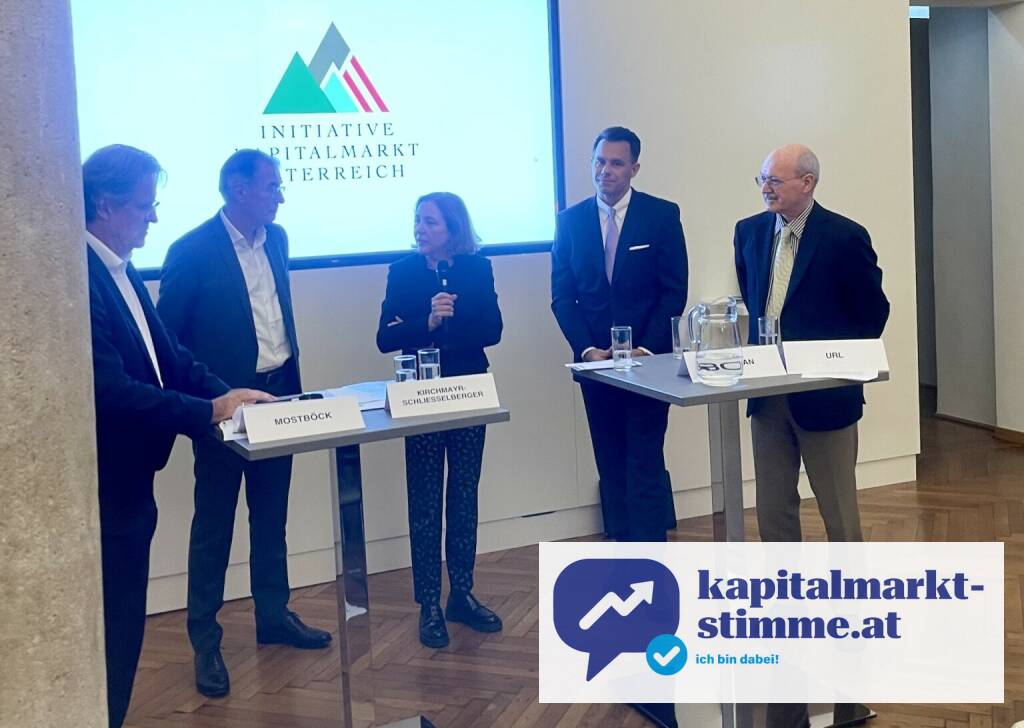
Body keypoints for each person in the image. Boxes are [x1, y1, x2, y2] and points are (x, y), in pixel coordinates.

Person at [83, 144, 273, 727]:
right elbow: (111, 390)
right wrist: (208, 410)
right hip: (107, 486)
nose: (154, 217)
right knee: (113, 636)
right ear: (105, 205)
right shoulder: (80, 275)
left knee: (124, 634)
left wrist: (231, 396)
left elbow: (172, 358)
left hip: (133, 482)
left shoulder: (120, 270)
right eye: (145, 206)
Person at [157, 149, 330, 699]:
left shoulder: (277, 239)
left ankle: (273, 614)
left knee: (271, 514)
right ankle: (206, 640)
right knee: (214, 522)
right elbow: (168, 341)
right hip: (224, 404)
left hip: (280, 393)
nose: (280, 195)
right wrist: (215, 398)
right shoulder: (191, 250)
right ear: (238, 189)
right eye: (272, 186)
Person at [733, 144, 889, 728]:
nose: (766, 189)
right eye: (761, 179)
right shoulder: (749, 232)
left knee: (840, 518)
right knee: (774, 512)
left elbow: (872, 314)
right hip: (768, 398)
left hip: (825, 400)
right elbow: (754, 300)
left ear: (807, 182)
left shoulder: (845, 237)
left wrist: (828, 361)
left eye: (775, 180)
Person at [376, 192, 503, 648]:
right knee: (426, 500)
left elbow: (493, 330)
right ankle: (428, 602)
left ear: (453, 228)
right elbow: (384, 338)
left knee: (464, 494)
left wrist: (454, 318)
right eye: (418, 220)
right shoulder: (402, 271)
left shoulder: (478, 268)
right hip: (420, 398)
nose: (420, 228)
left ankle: (461, 593)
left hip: (469, 392)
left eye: (430, 221)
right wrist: (427, 322)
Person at [550, 126, 688, 543]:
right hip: (596, 365)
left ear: (634, 168)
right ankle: (622, 554)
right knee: (609, 461)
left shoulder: (661, 215)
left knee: (644, 461)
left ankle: (652, 558)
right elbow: (562, 296)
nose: (604, 171)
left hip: (649, 364)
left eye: (615, 163)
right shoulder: (570, 222)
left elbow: (673, 291)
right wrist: (587, 350)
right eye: (599, 161)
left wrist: (646, 348)